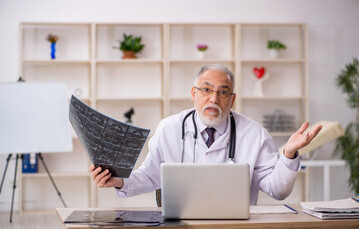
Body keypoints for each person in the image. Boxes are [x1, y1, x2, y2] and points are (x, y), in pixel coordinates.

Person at [90, 64, 322, 205]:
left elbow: (278, 190)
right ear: (193, 93)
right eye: (206, 89)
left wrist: (289, 153)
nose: (214, 99)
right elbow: (151, 177)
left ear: (232, 99)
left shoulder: (254, 134)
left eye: (223, 92)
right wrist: (118, 181)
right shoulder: (169, 128)